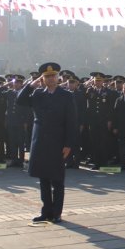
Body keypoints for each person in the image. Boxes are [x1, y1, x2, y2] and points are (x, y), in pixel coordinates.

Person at [17, 62, 78, 223]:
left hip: (58, 141)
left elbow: (71, 121)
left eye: (53, 76)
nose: (51, 79)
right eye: (47, 76)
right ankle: (46, 211)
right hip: (40, 141)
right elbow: (20, 100)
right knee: (43, 178)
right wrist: (31, 85)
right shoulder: (38, 94)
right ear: (42, 78)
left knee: (57, 179)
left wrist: (68, 144)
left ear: (58, 77)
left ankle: (56, 212)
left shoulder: (66, 95)